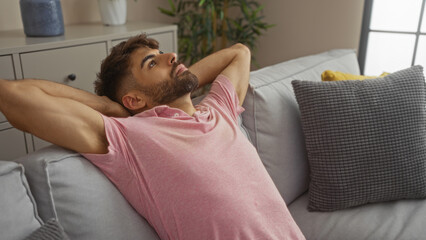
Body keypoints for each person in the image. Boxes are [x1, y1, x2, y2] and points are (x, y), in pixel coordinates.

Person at [0, 34, 304, 240]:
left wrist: (178, 84)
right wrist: (110, 107)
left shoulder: (218, 110)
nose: (171, 56)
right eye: (152, 63)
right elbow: (13, 97)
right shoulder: (129, 138)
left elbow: (239, 52)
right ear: (133, 100)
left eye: (161, 55)